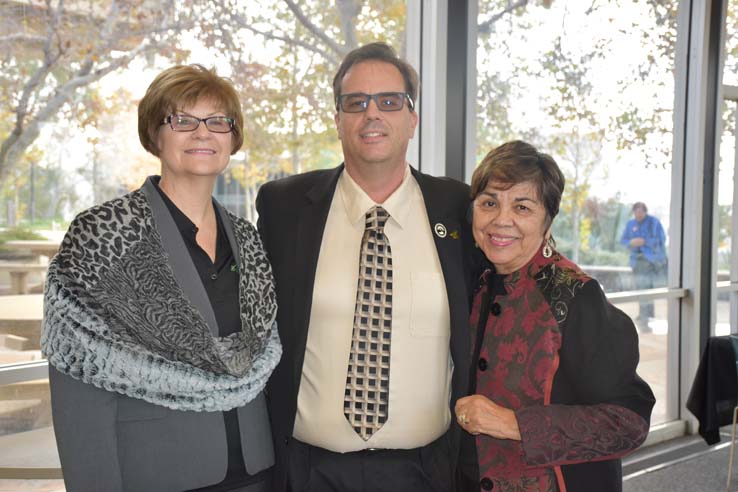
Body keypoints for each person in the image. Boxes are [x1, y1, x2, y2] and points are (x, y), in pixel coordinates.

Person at [42, 65, 282, 492]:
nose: (202, 133)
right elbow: (80, 383)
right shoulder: (102, 234)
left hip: (258, 471)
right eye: (182, 120)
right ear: (155, 135)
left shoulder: (248, 238)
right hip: (158, 473)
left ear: (233, 137)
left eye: (217, 121)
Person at [256, 42, 474, 492]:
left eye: (389, 101)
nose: (371, 114)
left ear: (412, 119)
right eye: (355, 103)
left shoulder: (458, 208)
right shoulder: (285, 208)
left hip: (426, 473)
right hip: (309, 472)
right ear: (337, 120)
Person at [455, 140, 655, 492]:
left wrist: (511, 424)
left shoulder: (575, 295)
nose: (502, 220)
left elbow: (629, 422)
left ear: (547, 220)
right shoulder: (476, 282)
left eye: (522, 207)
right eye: (489, 203)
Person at [620, 201, 667, 331]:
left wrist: (644, 242)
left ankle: (646, 316)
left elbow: (661, 240)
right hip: (636, 261)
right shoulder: (630, 224)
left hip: (651, 261)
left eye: (641, 211)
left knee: (647, 288)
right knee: (641, 288)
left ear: (645, 212)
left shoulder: (654, 222)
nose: (638, 214)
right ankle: (644, 315)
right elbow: (623, 241)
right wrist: (631, 242)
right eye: (636, 212)